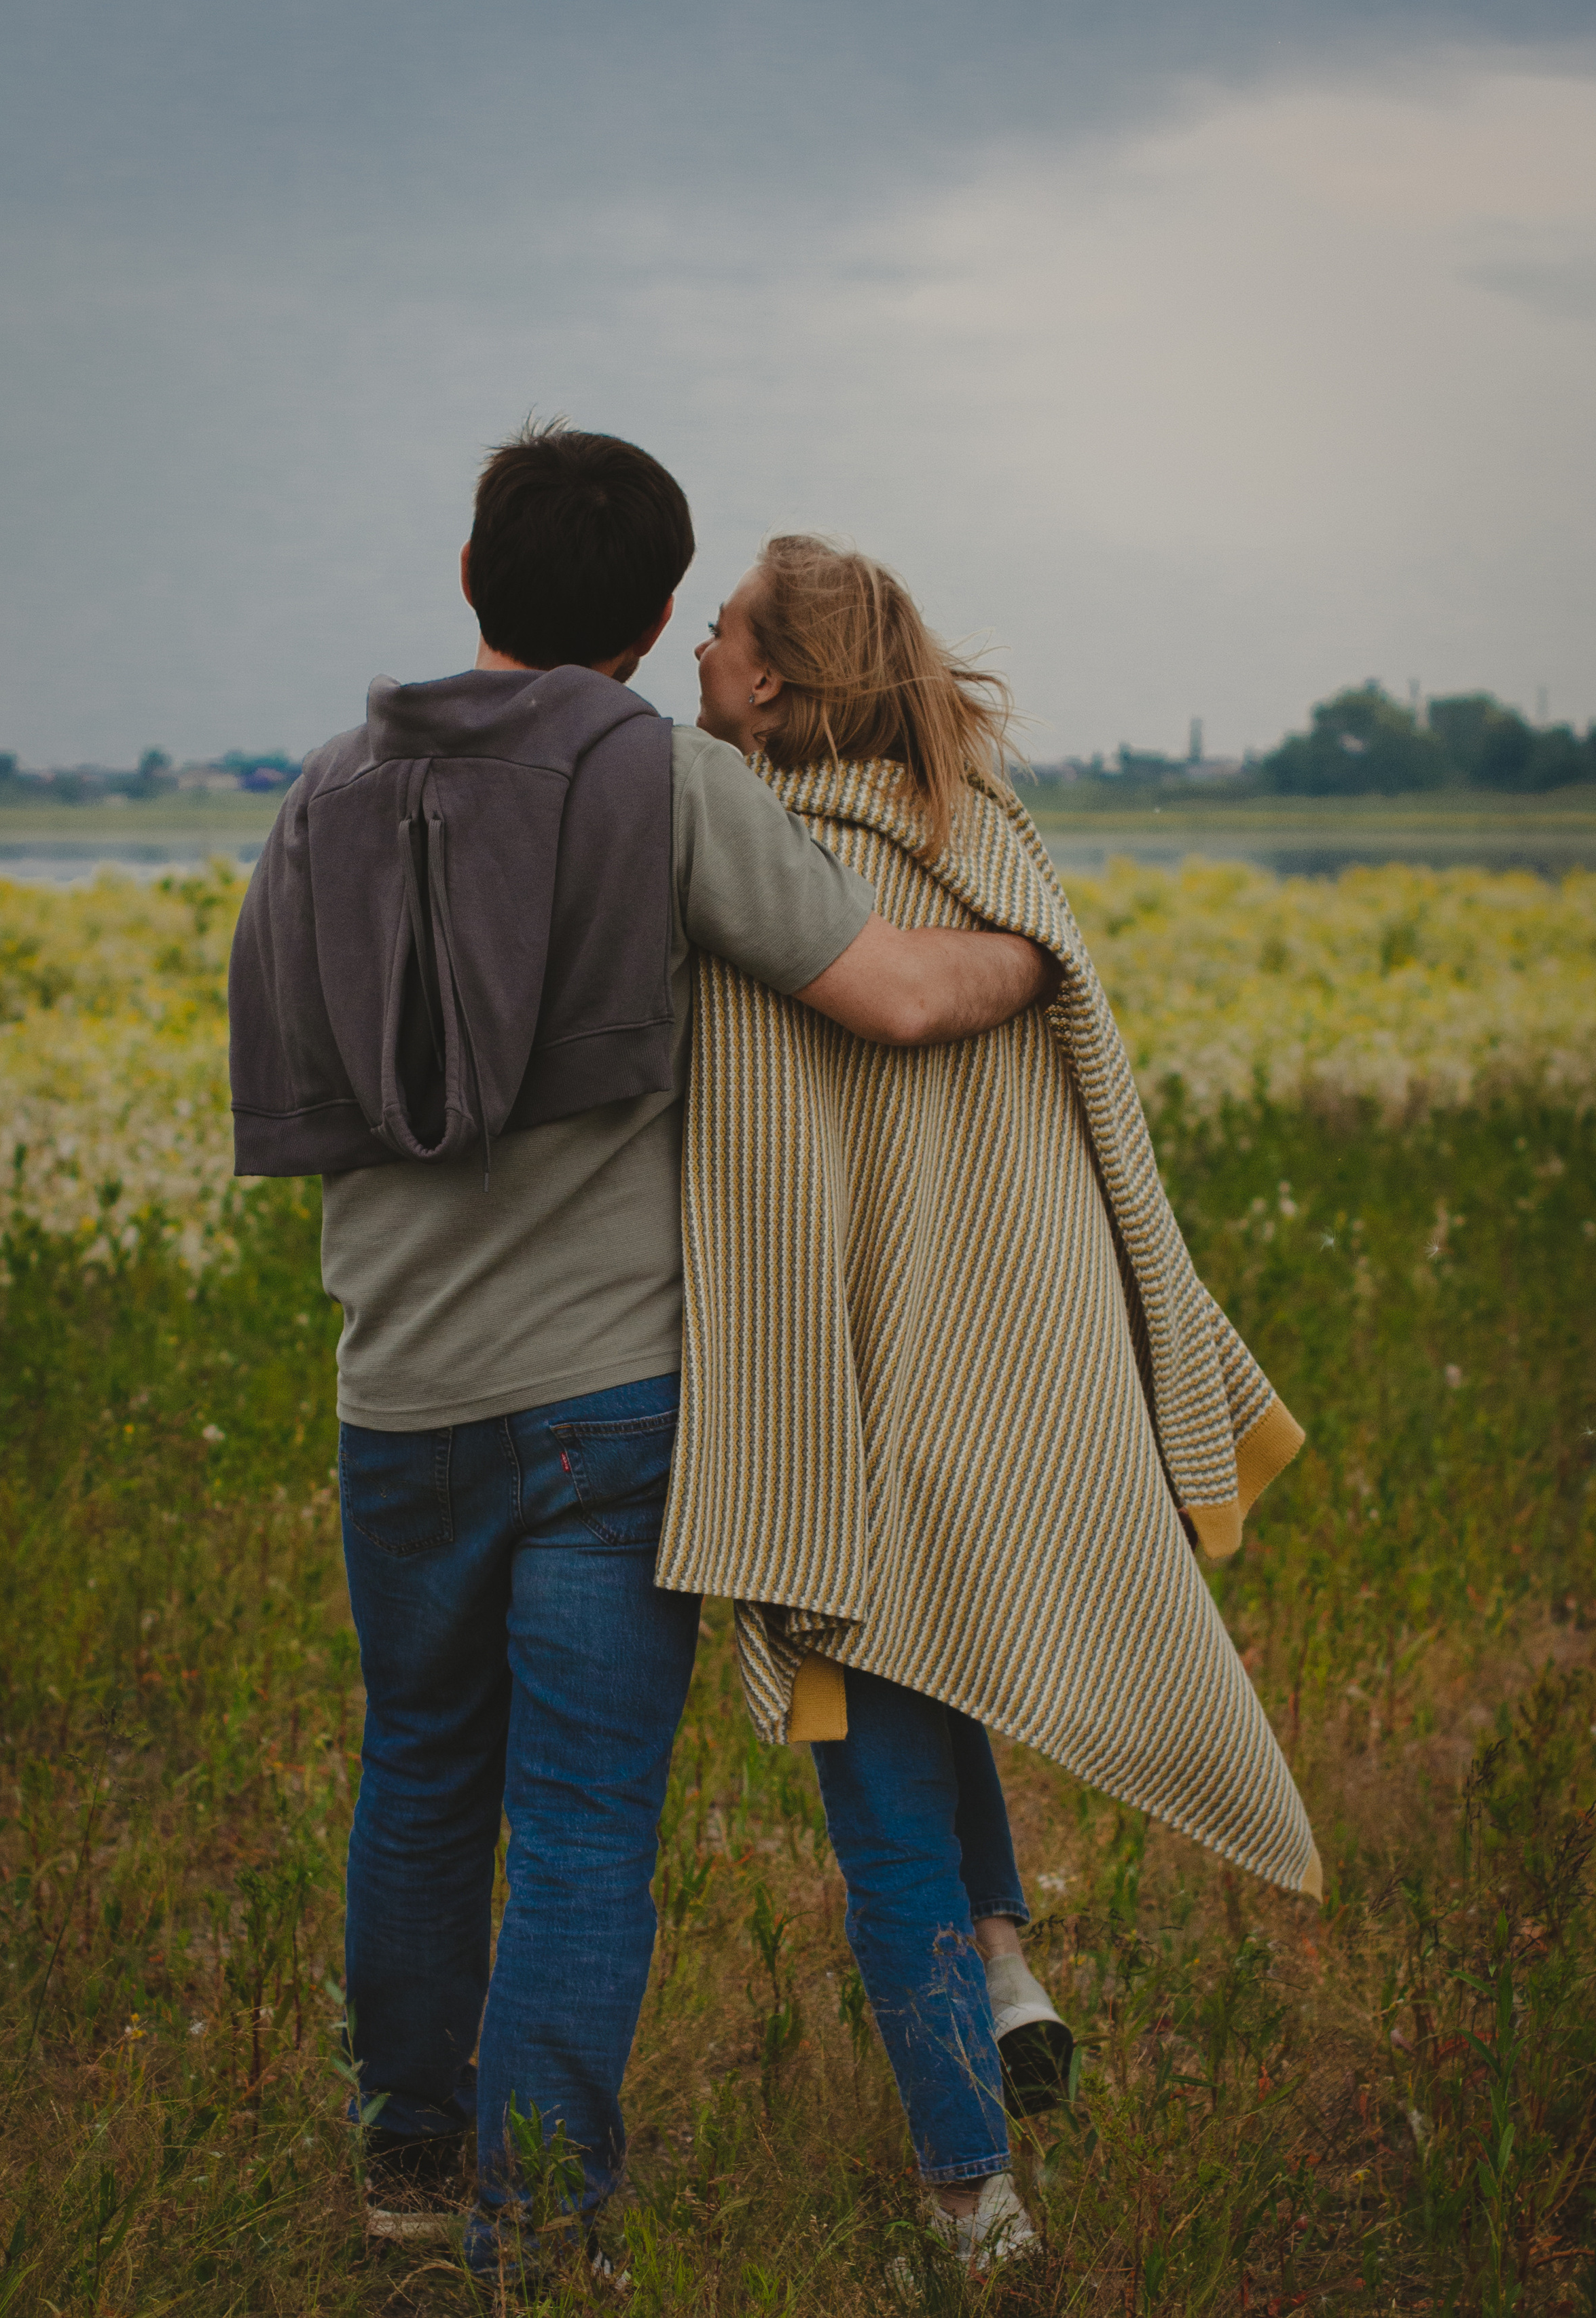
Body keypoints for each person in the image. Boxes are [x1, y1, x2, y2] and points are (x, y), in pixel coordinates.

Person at [226, 432, 1059, 2285]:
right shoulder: (666, 781)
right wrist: (1033, 955)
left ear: (467, 571)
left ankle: (408, 2177)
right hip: (613, 1403)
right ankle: (545, 2233)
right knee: (586, 1827)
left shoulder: (326, 789)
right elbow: (901, 997)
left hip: (402, 1397)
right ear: (661, 614)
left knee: (417, 1775)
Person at [665, 535, 1313, 2273]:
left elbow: (742, 1149)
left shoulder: (767, 866)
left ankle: (973, 2203)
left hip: (856, 1389)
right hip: (1004, 1370)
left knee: (879, 1803)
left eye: (722, 633)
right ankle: (1009, 1964)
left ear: (778, 681)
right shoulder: (977, 838)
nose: (698, 651)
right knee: (940, 1676)